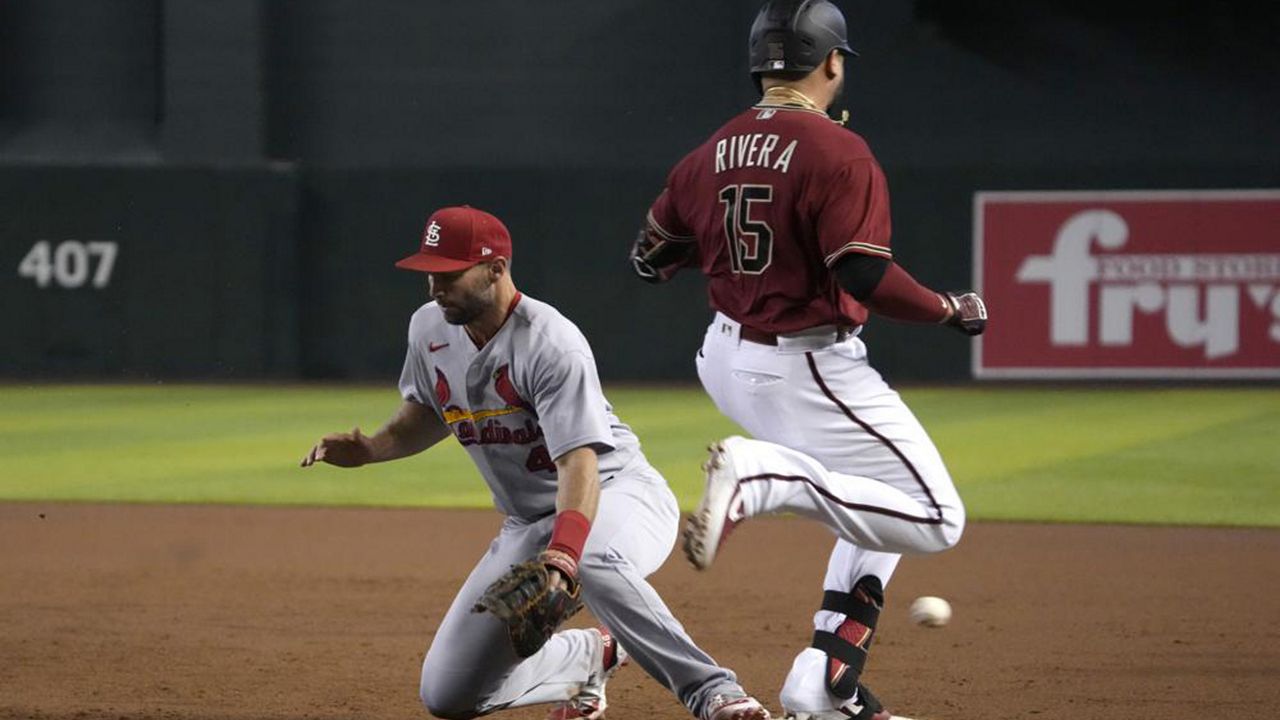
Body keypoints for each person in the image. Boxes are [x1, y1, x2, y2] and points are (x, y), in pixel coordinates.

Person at [629, 2, 988, 719]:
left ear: (761, 65)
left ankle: (825, 680)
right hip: (803, 362)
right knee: (936, 516)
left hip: (727, 355)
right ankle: (763, 475)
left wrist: (727, 243)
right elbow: (863, 277)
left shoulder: (711, 151)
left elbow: (648, 256)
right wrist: (949, 308)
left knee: (875, 498)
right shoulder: (838, 152)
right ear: (831, 62)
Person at [302, 205, 770, 720]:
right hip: (527, 523)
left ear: (497, 269)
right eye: (430, 274)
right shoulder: (428, 330)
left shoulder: (550, 343)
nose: (436, 287)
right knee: (448, 695)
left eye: (450, 274)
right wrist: (370, 449)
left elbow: (580, 464)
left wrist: (563, 556)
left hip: (617, 495)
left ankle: (714, 692)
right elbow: (428, 413)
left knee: (590, 560)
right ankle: (588, 657)